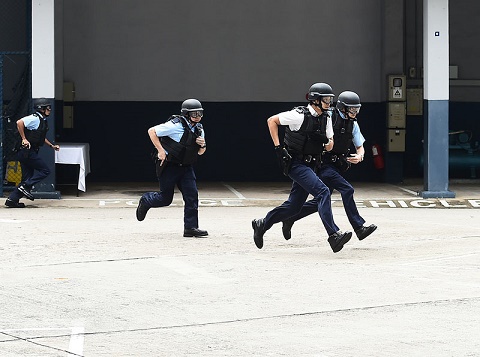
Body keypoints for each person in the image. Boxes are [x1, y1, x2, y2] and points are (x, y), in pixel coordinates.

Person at [252, 83, 353, 253]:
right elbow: (272, 121)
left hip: (312, 164)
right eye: (326, 99)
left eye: (330, 99)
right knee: (323, 192)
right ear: (315, 100)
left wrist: (325, 142)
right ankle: (333, 234)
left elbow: (330, 144)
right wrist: (278, 148)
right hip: (296, 163)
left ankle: (263, 223)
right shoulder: (299, 115)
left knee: (294, 207)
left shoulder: (326, 118)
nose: (329, 103)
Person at [282, 91, 377, 241]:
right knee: (347, 189)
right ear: (343, 108)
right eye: (352, 109)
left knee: (319, 201)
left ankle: (289, 217)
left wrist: (360, 155)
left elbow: (360, 145)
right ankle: (359, 227)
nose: (355, 112)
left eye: (357, 109)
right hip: (322, 164)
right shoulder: (328, 117)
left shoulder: (353, 123)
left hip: (336, 165)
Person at [136, 98, 209, 238]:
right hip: (169, 166)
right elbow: (152, 131)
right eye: (194, 114)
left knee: (192, 196)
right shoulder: (175, 125)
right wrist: (160, 151)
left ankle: (191, 227)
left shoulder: (199, 129)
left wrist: (203, 145)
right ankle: (146, 200)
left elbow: (200, 153)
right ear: (186, 114)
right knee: (165, 198)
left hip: (186, 167)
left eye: (200, 113)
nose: (198, 116)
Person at [5, 98, 60, 208]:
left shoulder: (42, 120)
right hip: (27, 151)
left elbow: (40, 137)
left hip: (28, 152)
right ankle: (25, 186)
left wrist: (51, 146)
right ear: (41, 109)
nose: (50, 109)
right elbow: (19, 122)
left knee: (27, 178)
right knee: (45, 170)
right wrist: (24, 138)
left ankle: (12, 200)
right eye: (47, 108)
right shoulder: (34, 118)